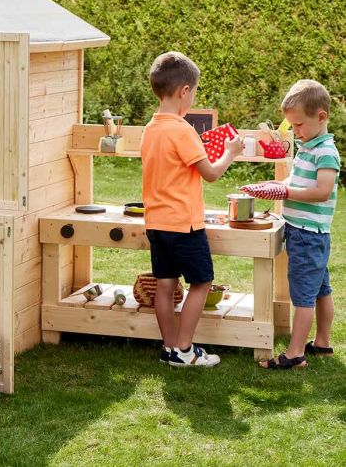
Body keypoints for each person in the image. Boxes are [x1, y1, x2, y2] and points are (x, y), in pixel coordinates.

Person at [141, 52, 243, 367]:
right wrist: (230, 152)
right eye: (194, 91)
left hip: (156, 223)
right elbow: (211, 173)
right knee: (202, 282)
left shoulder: (151, 128)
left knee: (165, 284)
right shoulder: (182, 129)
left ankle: (170, 347)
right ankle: (185, 349)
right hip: (184, 224)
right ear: (185, 91)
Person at [242, 79, 339, 369]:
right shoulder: (308, 146)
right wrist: (276, 185)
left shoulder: (326, 152)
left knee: (304, 297)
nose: (295, 132)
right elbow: (297, 182)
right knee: (321, 290)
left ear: (321, 117)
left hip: (309, 236)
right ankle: (322, 342)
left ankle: (295, 353)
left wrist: (285, 192)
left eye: (298, 125)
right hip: (304, 233)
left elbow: (322, 191)